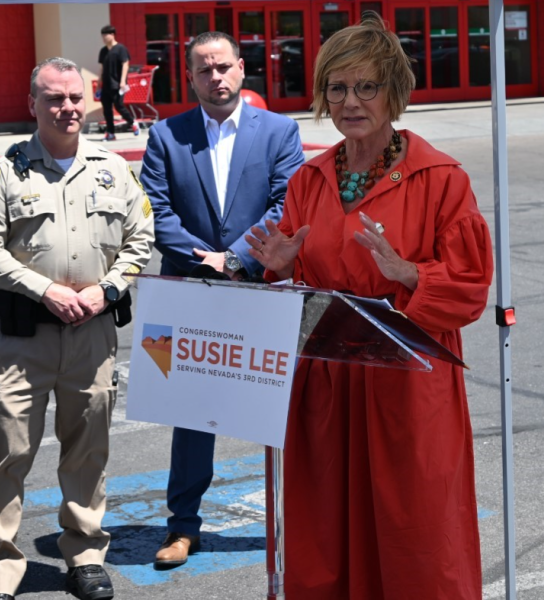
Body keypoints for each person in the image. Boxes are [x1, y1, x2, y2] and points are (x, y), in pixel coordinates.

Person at [246, 13, 494, 600]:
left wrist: (409, 274)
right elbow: (303, 286)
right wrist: (280, 266)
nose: (350, 101)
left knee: (417, 531)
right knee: (326, 527)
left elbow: (470, 288)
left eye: (366, 86)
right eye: (337, 87)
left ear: (394, 92)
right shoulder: (308, 180)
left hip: (406, 384)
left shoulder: (440, 178)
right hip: (328, 383)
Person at [0, 57, 155, 600]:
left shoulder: (113, 169)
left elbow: (140, 241)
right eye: (54, 98)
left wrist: (109, 288)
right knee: (5, 453)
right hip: (23, 337)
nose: (66, 108)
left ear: (88, 101)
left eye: (75, 98)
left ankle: (85, 555)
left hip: (93, 334)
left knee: (87, 450)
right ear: (33, 104)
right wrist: (45, 289)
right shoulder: (4, 171)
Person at [138, 30, 304, 569]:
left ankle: (296, 522)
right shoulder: (166, 135)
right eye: (204, 69)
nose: (216, 77)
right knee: (190, 415)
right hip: (190, 292)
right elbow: (156, 212)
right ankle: (183, 526)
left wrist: (234, 258)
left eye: (224, 66)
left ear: (241, 69)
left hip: (258, 287)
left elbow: (286, 202)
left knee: (276, 409)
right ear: (190, 77)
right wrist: (205, 259)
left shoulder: (280, 130)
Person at [98, 25, 137, 141]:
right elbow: (101, 68)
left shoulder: (121, 49)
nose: (104, 38)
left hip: (117, 84)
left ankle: (132, 122)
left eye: (106, 35)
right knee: (106, 109)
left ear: (113, 35)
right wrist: (99, 83)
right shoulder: (103, 51)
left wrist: (122, 81)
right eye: (102, 36)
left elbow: (125, 64)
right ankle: (110, 133)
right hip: (106, 84)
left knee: (119, 106)